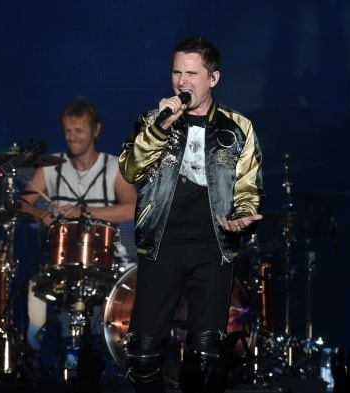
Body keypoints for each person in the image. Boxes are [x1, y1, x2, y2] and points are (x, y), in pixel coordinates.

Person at [118, 36, 264, 393]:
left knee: (205, 354)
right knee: (143, 352)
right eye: (176, 72)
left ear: (212, 79)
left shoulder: (238, 127)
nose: (182, 81)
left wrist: (243, 214)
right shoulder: (152, 121)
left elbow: (248, 186)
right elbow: (130, 171)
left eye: (192, 73)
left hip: (212, 247)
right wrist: (160, 127)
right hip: (161, 243)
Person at [18, 97, 137, 354]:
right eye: (67, 131)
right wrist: (42, 215)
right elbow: (22, 204)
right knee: (33, 285)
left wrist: (85, 211)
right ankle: (39, 353)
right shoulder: (51, 167)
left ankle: (120, 354)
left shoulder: (114, 167)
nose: (71, 137)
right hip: (59, 258)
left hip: (108, 257)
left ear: (96, 130)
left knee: (136, 288)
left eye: (78, 130)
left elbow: (133, 208)